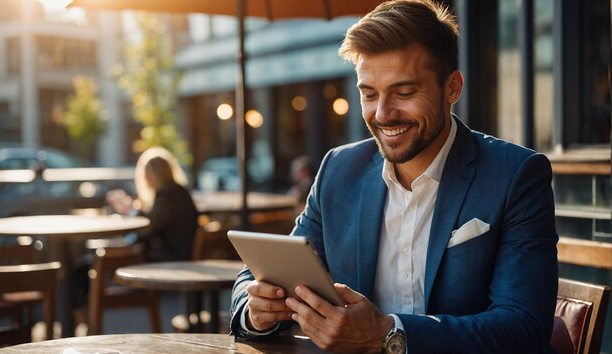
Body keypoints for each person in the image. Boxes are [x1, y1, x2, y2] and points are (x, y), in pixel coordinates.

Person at [229, 1, 558, 353]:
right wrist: (257, 311)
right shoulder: (338, 170)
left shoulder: (515, 175)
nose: (383, 114)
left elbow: (524, 326)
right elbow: (262, 275)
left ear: (452, 88)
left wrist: (387, 333)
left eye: (404, 92)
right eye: (368, 94)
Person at [106, 147, 198, 262]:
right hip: (181, 253)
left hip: (171, 258)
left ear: (151, 175)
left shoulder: (166, 195)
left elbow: (149, 228)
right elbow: (156, 222)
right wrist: (132, 210)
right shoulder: (179, 191)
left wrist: (130, 211)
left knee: (119, 258)